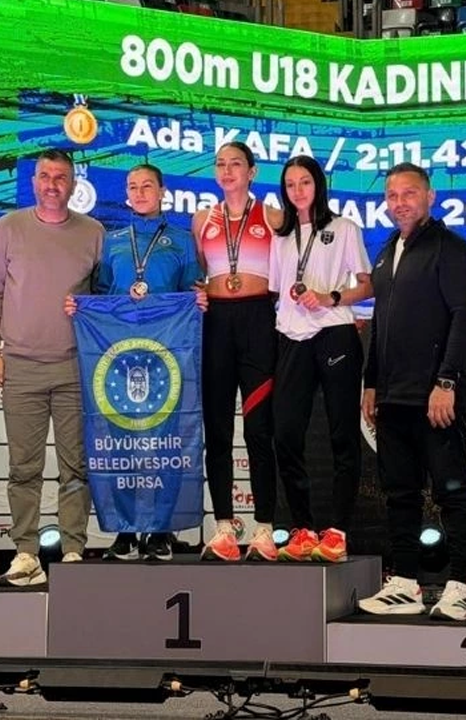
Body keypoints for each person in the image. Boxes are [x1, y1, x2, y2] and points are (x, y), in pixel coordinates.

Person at [64, 164, 208, 561]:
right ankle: (126, 531)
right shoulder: (111, 241)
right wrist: (80, 307)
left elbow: (191, 294)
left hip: (167, 356)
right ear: (126, 194)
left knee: (165, 443)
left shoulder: (182, 240)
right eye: (133, 187)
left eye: (147, 186)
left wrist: (199, 300)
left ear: (162, 192)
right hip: (119, 358)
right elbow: (101, 296)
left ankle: (161, 530)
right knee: (119, 443)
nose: (140, 192)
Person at [358, 163, 466, 620]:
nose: (400, 203)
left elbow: (464, 319)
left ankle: (459, 587)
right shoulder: (386, 252)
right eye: (392, 195)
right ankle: (405, 584)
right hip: (393, 398)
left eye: (409, 193)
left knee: (453, 489)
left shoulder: (454, 249)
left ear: (430, 197)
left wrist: (445, 382)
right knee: (400, 492)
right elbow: (380, 321)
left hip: (436, 396)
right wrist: (372, 382)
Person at [0, 149, 105, 586]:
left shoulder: (94, 233)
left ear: (73, 184)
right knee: (23, 468)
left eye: (60, 177)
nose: (52, 184)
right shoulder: (7, 227)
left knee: (76, 467)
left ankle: (73, 550)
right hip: (20, 365)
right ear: (33, 181)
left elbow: (104, 299)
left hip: (74, 367)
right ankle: (25, 554)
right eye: (45, 176)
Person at [269, 156, 373, 563]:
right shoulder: (281, 237)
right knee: (285, 434)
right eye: (290, 184)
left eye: (305, 182)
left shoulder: (343, 228)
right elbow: (278, 289)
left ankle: (337, 531)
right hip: (291, 336)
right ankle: (303, 528)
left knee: (342, 435)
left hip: (334, 333)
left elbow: (366, 286)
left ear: (319, 185)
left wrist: (331, 297)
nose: (298, 191)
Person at [192, 141, 282, 562]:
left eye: (236, 164)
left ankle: (264, 528)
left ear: (252, 171)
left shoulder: (273, 216)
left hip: (258, 320)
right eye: (220, 164)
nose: (227, 171)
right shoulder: (201, 220)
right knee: (217, 431)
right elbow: (200, 273)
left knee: (259, 429)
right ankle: (224, 528)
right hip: (217, 324)